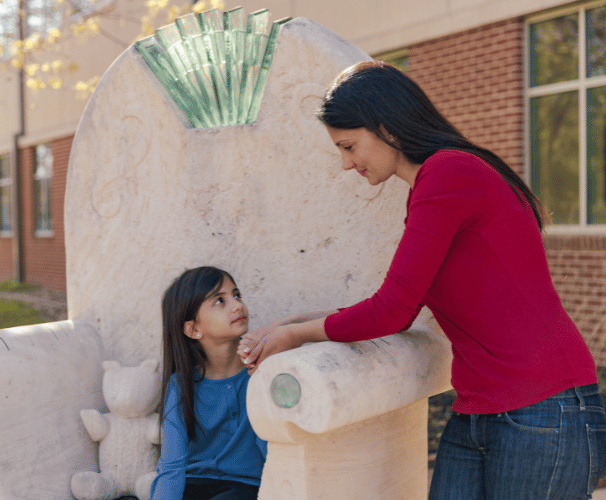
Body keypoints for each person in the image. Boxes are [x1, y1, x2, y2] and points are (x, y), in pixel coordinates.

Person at [238, 61, 606, 500]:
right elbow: (402, 303)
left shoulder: (449, 173)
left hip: (543, 410)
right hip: (480, 409)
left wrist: (296, 334)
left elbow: (390, 312)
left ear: (386, 128)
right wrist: (297, 322)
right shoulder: (435, 183)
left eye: (350, 146)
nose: (345, 163)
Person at [151, 266, 266, 500]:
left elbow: (274, 453)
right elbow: (171, 467)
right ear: (193, 329)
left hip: (245, 487)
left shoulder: (263, 373)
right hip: (195, 484)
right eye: (219, 301)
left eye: (236, 295)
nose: (237, 305)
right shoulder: (181, 386)